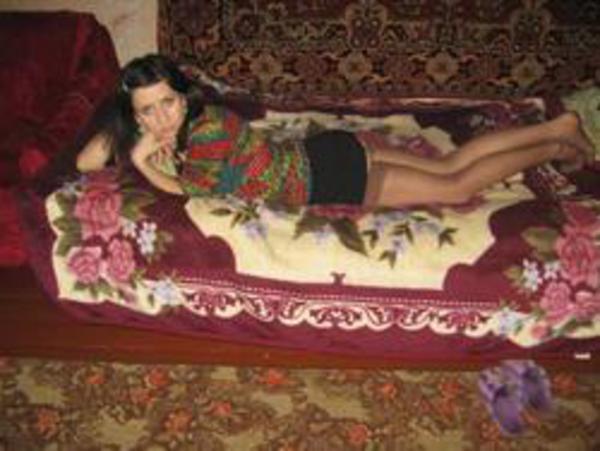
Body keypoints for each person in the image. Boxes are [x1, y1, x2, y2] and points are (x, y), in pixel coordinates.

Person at [72, 53, 593, 208]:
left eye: (167, 103)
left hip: (329, 178)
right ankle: (559, 126)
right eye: (148, 111)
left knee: (456, 185)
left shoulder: (208, 129)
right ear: (135, 114)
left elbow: (191, 191)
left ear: (183, 97)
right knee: (449, 164)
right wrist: (128, 124)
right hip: (327, 153)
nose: (162, 118)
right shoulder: (173, 127)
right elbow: (85, 161)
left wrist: (139, 159)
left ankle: (552, 141)